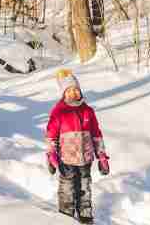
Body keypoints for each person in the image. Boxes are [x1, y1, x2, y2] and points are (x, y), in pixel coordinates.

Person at [46, 69, 110, 224]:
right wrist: (51, 155)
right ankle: (65, 216)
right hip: (66, 160)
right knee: (67, 189)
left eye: (76, 89)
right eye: (69, 90)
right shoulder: (58, 112)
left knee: (85, 188)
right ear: (63, 93)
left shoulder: (88, 111)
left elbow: (96, 135)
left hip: (85, 159)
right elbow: (51, 136)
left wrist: (102, 156)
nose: (73, 93)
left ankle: (85, 215)